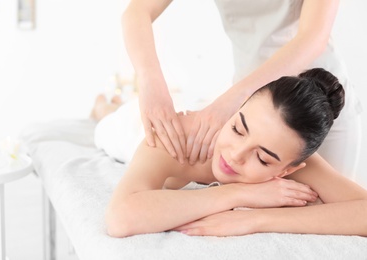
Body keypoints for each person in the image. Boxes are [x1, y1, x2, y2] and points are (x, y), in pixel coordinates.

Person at [97, 68, 367, 238]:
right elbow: (120, 218)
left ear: (287, 171)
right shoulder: (177, 137)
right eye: (238, 128)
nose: (235, 155)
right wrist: (237, 193)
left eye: (262, 158)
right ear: (236, 110)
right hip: (133, 128)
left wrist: (256, 219)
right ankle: (104, 108)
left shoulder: (294, 155)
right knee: (108, 120)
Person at [121, 0, 362, 178]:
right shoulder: (241, 131)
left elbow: (313, 37)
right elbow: (138, 11)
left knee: (327, 220)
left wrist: (231, 102)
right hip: (253, 110)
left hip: (319, 108)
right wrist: (149, 81)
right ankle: (109, 107)